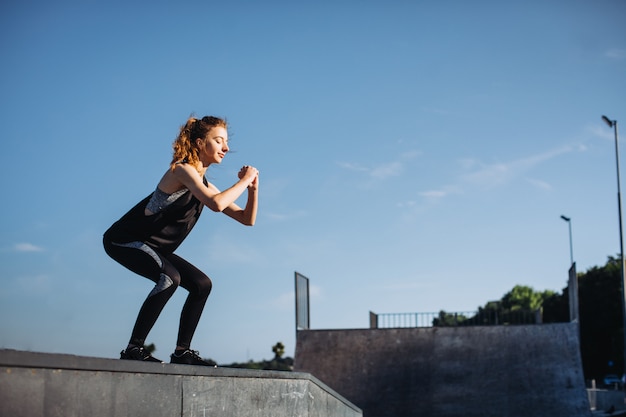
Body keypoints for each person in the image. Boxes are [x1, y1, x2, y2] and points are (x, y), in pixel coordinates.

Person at [103, 116, 258, 365]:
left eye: (226, 142)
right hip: (125, 240)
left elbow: (246, 219)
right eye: (219, 141)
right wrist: (243, 180)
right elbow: (217, 204)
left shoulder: (206, 185)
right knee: (169, 279)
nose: (226, 148)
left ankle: (182, 352)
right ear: (199, 143)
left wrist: (252, 189)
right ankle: (133, 349)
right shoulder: (182, 170)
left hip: (155, 248)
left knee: (201, 284)